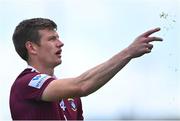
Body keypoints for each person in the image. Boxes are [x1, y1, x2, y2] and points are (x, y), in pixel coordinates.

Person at [10, 18, 162, 120]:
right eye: (52, 39)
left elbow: (78, 87)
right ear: (32, 47)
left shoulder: (71, 96)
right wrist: (128, 52)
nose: (60, 43)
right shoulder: (26, 83)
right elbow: (81, 85)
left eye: (58, 37)